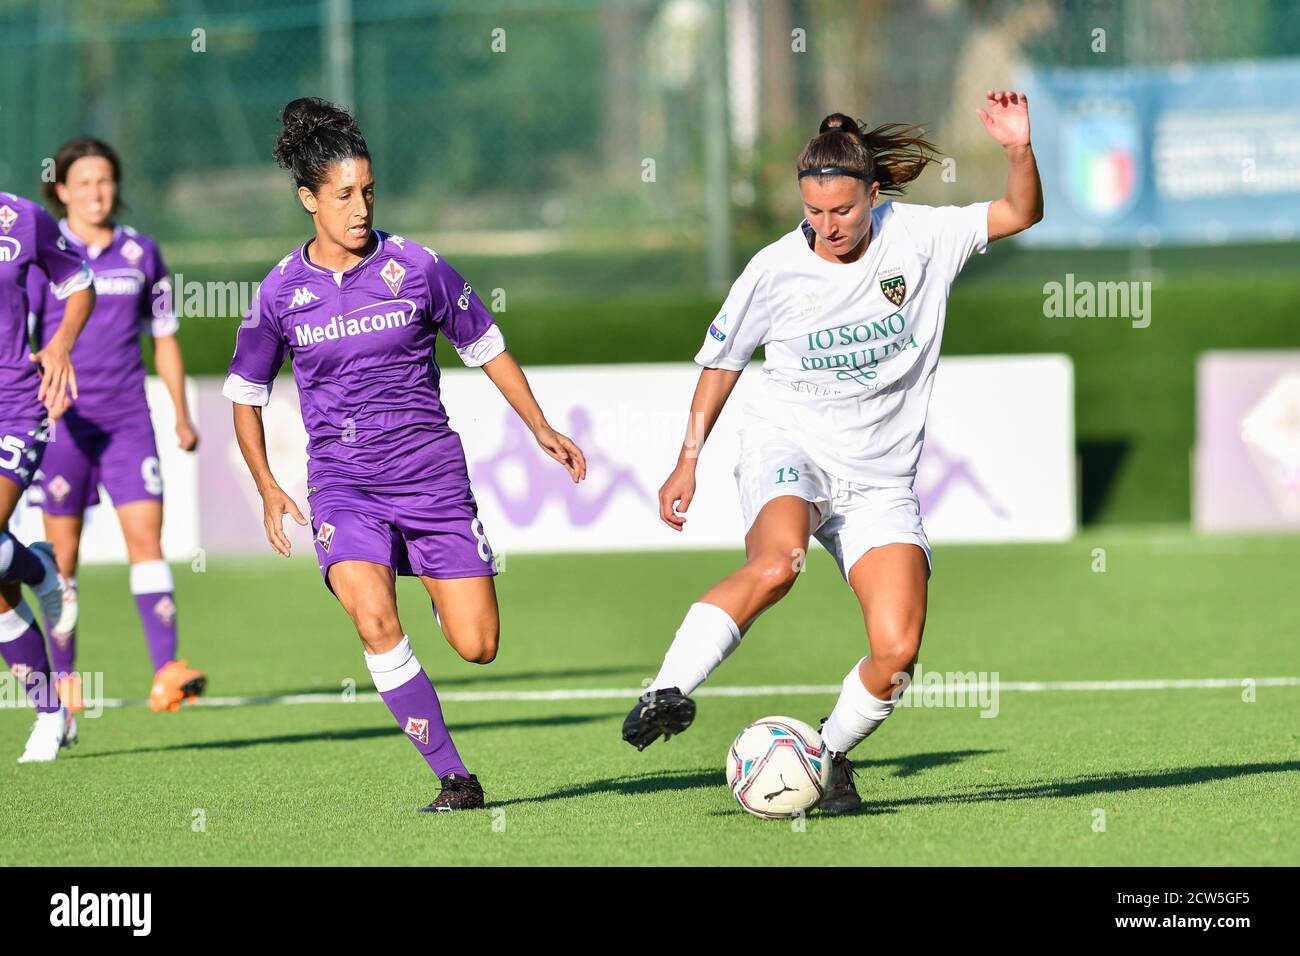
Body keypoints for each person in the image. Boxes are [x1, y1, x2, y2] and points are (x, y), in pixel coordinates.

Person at [624, 93, 1043, 815]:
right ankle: (666, 689)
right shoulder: (774, 268)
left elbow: (1019, 213)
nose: (825, 227)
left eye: (841, 213)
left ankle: (829, 754)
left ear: (873, 195)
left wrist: (1017, 151)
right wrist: (687, 459)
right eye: (813, 213)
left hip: (879, 482)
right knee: (778, 561)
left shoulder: (922, 237)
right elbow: (721, 365)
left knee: (898, 651)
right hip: (788, 444)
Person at [226, 98, 586, 812]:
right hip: (343, 483)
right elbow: (245, 393)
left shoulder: (416, 267)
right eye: (342, 196)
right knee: (372, 619)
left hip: (429, 477)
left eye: (368, 192)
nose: (360, 208)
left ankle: (421, 563)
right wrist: (268, 485)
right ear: (308, 199)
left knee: (477, 644)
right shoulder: (278, 293)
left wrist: (538, 425)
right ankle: (456, 778)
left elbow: (485, 344)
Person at [27, 138, 205, 715]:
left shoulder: (141, 253)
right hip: (63, 425)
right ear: (60, 190)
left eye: (105, 181)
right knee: (63, 557)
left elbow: (164, 339)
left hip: (129, 422)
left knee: (147, 542)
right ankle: (67, 677)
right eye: (83, 182)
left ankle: (167, 672)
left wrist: (180, 413)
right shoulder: (43, 254)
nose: (97, 192)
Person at [0, 189, 94, 761]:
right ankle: (49, 711)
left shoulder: (19, 217)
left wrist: (59, 345)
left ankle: (36, 568)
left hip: (14, 404)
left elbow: (77, 281)